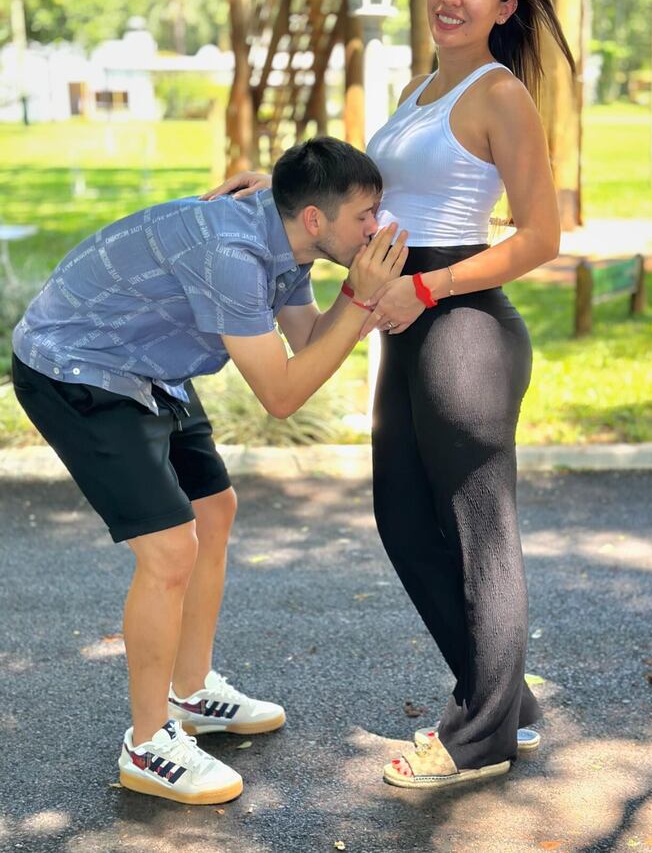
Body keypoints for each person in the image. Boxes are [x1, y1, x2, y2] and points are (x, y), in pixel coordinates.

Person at [205, 0, 574, 789]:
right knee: (403, 518)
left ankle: (481, 735)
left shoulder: (497, 94)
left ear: (504, 7)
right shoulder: (422, 88)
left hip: (462, 323)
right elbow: (376, 192)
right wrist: (281, 186)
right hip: (408, 317)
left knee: (482, 535)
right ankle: (502, 695)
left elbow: (542, 235)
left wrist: (430, 291)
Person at [11, 137, 407, 805]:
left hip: (147, 363)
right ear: (314, 218)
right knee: (170, 549)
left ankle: (189, 693)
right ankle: (146, 744)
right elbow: (282, 395)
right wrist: (363, 300)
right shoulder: (234, 255)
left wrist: (354, 297)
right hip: (76, 364)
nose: (378, 229)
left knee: (212, 509)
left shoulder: (284, 239)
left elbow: (310, 340)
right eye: (366, 216)